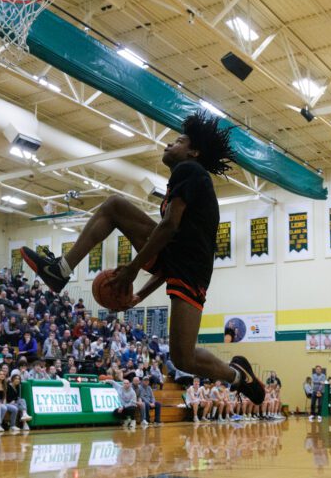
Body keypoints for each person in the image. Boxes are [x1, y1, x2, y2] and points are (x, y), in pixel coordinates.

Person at [20, 112, 264, 406]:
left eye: (178, 140)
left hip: (191, 271)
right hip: (179, 258)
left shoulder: (190, 171)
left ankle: (239, 377)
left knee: (183, 358)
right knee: (113, 206)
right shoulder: (188, 177)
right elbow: (170, 240)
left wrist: (133, 270)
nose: (168, 144)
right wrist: (138, 295)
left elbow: (169, 227)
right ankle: (61, 269)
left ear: (193, 151)